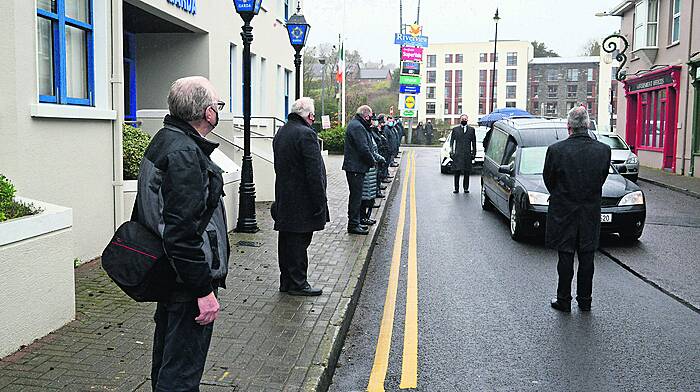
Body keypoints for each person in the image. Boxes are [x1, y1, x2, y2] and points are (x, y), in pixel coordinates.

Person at [134, 76, 229, 391]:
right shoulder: (186, 153)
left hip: (171, 273)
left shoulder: (166, 138)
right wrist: (203, 292)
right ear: (208, 113)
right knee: (180, 377)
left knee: (167, 366)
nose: (219, 111)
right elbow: (181, 233)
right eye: (218, 105)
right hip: (186, 282)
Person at [544, 106, 611, 312]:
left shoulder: (556, 150)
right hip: (589, 211)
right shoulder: (603, 150)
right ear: (588, 125)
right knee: (587, 257)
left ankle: (563, 299)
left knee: (565, 257)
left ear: (569, 126)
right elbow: (601, 178)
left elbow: (549, 180)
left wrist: (562, 194)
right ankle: (585, 300)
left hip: (564, 211)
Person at [271, 97, 329, 296]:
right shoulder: (306, 134)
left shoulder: (282, 131)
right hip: (303, 200)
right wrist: (320, 200)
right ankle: (298, 283)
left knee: (286, 240)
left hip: (285, 196)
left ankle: (286, 281)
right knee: (299, 243)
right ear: (310, 115)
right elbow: (314, 172)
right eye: (313, 117)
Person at [343, 105, 376, 235]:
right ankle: (353, 224)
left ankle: (357, 221)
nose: (371, 119)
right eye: (370, 116)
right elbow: (363, 148)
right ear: (366, 115)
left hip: (355, 167)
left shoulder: (357, 125)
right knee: (356, 198)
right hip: (355, 167)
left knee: (357, 196)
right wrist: (372, 161)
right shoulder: (357, 127)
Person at [450, 114, 477, 193]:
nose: (464, 120)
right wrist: (451, 152)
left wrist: (474, 153)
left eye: (465, 119)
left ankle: (466, 188)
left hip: (467, 154)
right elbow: (452, 142)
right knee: (457, 172)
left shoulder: (471, 130)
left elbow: (474, 142)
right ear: (460, 120)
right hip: (458, 154)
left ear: (467, 120)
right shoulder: (455, 129)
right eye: (463, 119)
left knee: (467, 172)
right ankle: (456, 188)